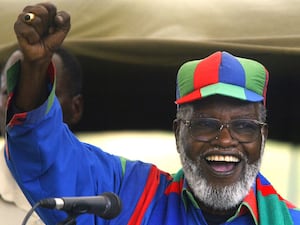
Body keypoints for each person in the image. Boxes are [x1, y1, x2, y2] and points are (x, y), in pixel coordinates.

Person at [4, 2, 300, 225]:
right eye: (205, 124)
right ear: (178, 133)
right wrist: (34, 69)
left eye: (244, 126)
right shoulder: (130, 196)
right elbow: (48, 159)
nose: (225, 141)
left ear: (262, 136)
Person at [0, 47, 84, 225]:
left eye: (41, 97)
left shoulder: (108, 193)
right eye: (9, 92)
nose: (22, 107)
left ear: (75, 108)